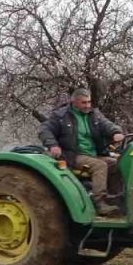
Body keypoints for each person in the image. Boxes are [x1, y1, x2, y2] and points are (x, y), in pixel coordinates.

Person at [39, 88, 124, 216]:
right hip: (73, 155)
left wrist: (115, 132)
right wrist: (53, 145)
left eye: (89, 102)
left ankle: (116, 199)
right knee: (99, 166)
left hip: (93, 154)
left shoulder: (94, 114)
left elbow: (106, 124)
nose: (88, 105)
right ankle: (99, 203)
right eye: (84, 103)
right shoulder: (61, 116)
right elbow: (44, 129)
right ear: (74, 102)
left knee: (116, 163)